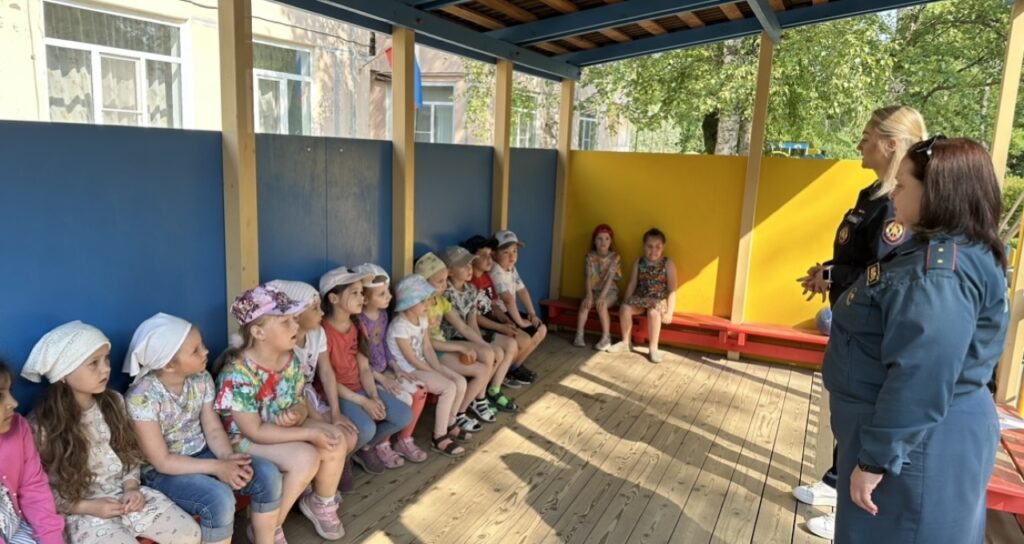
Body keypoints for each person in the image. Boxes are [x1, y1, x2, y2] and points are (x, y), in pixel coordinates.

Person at [825, 136, 1007, 542]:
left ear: (936, 194)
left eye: (903, 184)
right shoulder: (947, 251)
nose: (893, 192)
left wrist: (874, 461)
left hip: (913, 449)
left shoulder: (938, 275)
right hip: (910, 440)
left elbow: (922, 375)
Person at [792, 106, 927, 540]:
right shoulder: (871, 195)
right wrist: (828, 271)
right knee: (847, 414)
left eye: (868, 136)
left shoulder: (895, 205)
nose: (859, 143)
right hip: (851, 326)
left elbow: (884, 273)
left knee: (864, 419)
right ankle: (837, 482)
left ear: (891, 144)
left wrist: (835, 274)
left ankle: (851, 514)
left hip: (872, 334)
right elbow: (860, 258)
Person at [21, 321, 200, 544]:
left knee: (189, 533)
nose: (105, 368)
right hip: (83, 512)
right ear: (64, 373)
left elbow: (129, 453)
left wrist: (131, 487)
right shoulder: (42, 425)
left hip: (125, 495)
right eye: (93, 363)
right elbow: (42, 491)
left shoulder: (114, 402)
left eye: (106, 359)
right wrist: (88, 507)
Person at [124, 313, 284, 544]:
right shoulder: (142, 397)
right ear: (168, 365)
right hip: (164, 473)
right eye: (195, 350)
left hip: (204, 453)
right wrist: (218, 467)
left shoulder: (200, 378)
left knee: (267, 474)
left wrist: (227, 458)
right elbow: (162, 461)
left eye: (202, 345)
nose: (206, 351)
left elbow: (213, 429)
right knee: (219, 498)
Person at [213, 285, 349, 541]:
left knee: (335, 439)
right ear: (258, 332)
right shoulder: (237, 373)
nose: (295, 326)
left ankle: (320, 503)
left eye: (294, 319)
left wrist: (297, 412)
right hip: (244, 440)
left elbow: (299, 400)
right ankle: (271, 526)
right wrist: (308, 433)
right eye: (285, 322)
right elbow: (254, 431)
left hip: (279, 428)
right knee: (305, 458)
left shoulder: (290, 359)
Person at [319, 266, 412, 475]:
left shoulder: (357, 324)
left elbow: (363, 367)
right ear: (333, 299)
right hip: (337, 393)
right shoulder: (323, 331)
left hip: (360, 387)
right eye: (354, 293)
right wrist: (363, 401)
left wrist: (373, 396)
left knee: (403, 415)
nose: (361, 298)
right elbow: (327, 377)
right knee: (367, 428)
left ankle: (362, 449)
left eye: (362, 292)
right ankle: (343, 458)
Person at [387, 274, 470, 457]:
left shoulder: (422, 318)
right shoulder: (400, 326)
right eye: (423, 301)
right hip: (409, 370)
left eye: (428, 300)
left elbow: (427, 348)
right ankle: (439, 437)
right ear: (409, 303)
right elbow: (410, 358)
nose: (428, 304)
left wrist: (437, 369)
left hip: (423, 365)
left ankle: (450, 423)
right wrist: (434, 372)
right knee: (448, 387)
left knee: (460, 381)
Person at [354, 263, 429, 464]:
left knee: (418, 389)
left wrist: (395, 368)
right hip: (368, 376)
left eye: (387, 291)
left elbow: (385, 344)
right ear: (365, 298)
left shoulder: (383, 314)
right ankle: (382, 444)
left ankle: (404, 439)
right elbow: (359, 360)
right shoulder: (359, 321)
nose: (388, 296)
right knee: (404, 398)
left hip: (385, 369)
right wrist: (382, 378)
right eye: (381, 294)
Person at [416, 251, 495, 431]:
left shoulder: (440, 301)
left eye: (445, 280)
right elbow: (429, 343)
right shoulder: (421, 307)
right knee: (482, 371)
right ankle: (459, 413)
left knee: (488, 353)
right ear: (423, 283)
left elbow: (463, 327)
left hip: (443, 346)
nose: (445, 285)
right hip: (432, 352)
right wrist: (459, 348)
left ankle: (471, 403)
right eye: (440, 281)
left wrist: (484, 345)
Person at [440, 245, 519, 413]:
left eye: (470, 264)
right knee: (490, 352)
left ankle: (482, 395)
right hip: (451, 338)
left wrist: (481, 343)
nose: (469, 268)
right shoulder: (445, 292)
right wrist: (483, 345)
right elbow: (461, 327)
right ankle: (479, 399)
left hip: (466, 335)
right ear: (450, 271)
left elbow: (472, 322)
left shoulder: (471, 289)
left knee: (498, 351)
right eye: (463, 266)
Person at [0, 359, 64, 544]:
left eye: (10, 392)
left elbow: (34, 488)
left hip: (18, 529)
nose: (14, 403)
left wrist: (52, 538)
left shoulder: (19, 427)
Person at [465, 234, 537, 388]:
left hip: (493, 320)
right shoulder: (470, 283)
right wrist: (501, 327)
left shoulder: (486, 278)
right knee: (514, 342)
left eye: (490, 254)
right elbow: (475, 317)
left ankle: (502, 375)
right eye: (483, 255)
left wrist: (506, 321)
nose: (489, 259)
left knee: (522, 337)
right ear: (471, 258)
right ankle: (495, 380)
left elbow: (494, 305)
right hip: (480, 327)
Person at [608, 228, 677, 363]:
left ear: (663, 247)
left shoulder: (668, 264)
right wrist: (625, 301)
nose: (653, 250)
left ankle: (653, 348)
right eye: (649, 246)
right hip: (640, 298)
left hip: (658, 300)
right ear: (643, 246)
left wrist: (670, 312)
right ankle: (626, 342)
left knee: (653, 313)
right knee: (625, 308)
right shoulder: (639, 262)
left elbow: (672, 290)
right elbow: (632, 283)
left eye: (658, 247)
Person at [489, 230, 547, 380]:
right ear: (494, 254)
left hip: (510, 312)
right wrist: (521, 322)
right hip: (499, 315)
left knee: (541, 329)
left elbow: (523, 291)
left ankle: (514, 368)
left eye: (514, 251)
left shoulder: (511, 269)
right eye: (506, 252)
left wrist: (532, 314)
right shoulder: (495, 271)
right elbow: (508, 299)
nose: (512, 256)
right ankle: (503, 373)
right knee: (524, 339)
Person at [574, 224, 622, 351]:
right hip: (594, 291)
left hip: (609, 292)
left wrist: (601, 297)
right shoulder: (590, 257)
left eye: (607, 238)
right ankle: (579, 334)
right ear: (594, 241)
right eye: (599, 238)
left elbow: (610, 279)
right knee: (585, 304)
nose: (603, 242)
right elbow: (588, 277)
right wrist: (589, 295)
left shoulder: (615, 257)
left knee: (602, 305)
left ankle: (606, 337)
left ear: (611, 241)